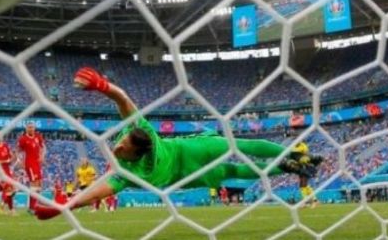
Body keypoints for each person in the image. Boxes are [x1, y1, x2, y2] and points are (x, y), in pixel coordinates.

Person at [34, 67, 322, 220]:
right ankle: (291, 162)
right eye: (121, 144)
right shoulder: (138, 147)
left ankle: (293, 159)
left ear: (136, 152)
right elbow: (123, 100)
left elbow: (123, 101)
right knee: (235, 165)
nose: (118, 147)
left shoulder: (133, 167)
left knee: (239, 152)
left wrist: (68, 206)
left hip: (187, 166)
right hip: (189, 162)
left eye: (123, 146)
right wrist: (103, 86)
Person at [17, 122, 46, 212]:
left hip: (37, 163)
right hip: (29, 164)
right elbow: (18, 150)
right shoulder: (23, 139)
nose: (31, 129)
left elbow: (43, 147)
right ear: (26, 129)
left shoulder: (38, 136)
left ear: (34, 128)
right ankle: (31, 207)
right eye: (29, 127)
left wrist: (42, 156)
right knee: (34, 183)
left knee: (40, 184)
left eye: (32, 127)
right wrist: (19, 160)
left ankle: (36, 205)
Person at [0, 137, 17, 215]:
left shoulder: (5, 146)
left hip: (6, 170)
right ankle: (8, 208)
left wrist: (14, 155)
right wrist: (6, 161)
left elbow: (11, 159)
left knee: (11, 190)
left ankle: (7, 207)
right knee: (8, 189)